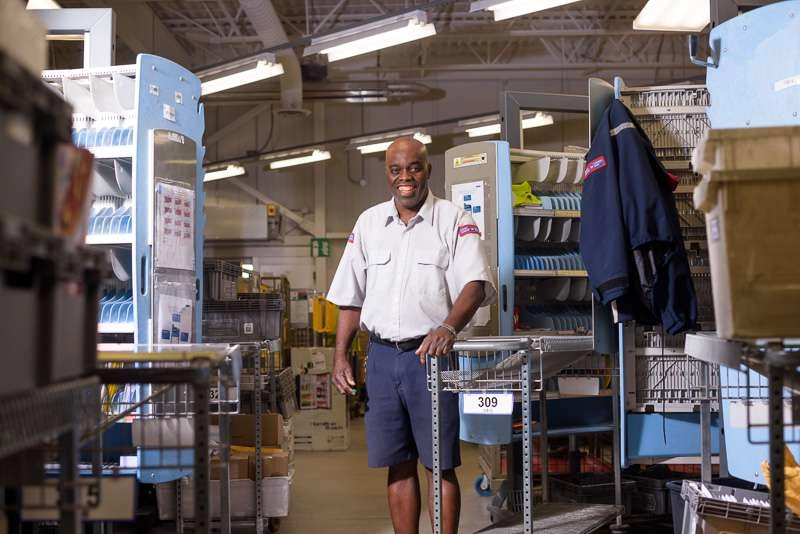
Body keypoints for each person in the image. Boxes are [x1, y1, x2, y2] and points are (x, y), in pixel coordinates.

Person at [326, 136, 496, 534]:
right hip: (382, 359)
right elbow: (350, 297)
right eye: (396, 170)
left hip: (431, 358)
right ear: (387, 173)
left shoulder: (454, 220)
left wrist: (448, 326)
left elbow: (475, 283)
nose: (406, 178)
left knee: (439, 462)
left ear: (428, 170)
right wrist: (339, 356)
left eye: (414, 168)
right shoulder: (368, 224)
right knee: (397, 461)